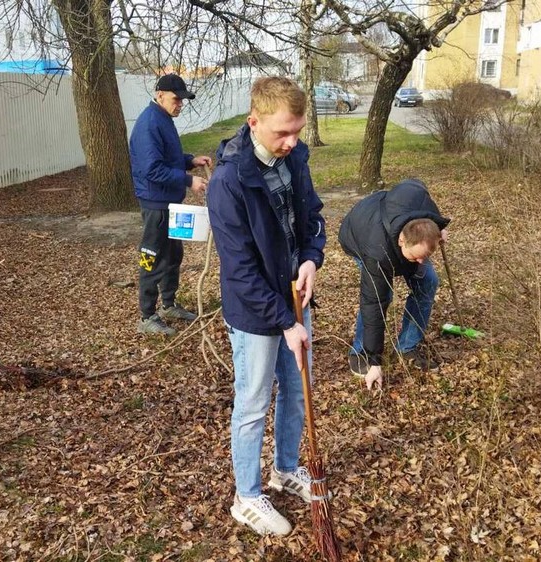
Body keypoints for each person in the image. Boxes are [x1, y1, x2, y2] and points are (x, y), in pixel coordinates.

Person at [207, 76, 326, 536]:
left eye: (297, 131)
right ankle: (246, 495)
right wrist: (284, 322)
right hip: (256, 310)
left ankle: (285, 468)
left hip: (295, 296)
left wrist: (313, 260)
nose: (291, 141)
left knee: (297, 390)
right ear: (254, 122)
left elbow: (312, 216)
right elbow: (238, 269)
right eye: (282, 132)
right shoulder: (228, 181)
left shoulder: (295, 157)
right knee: (254, 402)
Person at [337, 178, 450, 391]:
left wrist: (439, 230)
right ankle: (361, 351)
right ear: (402, 241)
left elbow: (416, 184)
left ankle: (407, 346)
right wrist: (375, 362)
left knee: (428, 280)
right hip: (358, 234)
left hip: (391, 222)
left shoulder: (422, 209)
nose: (421, 262)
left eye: (425, 256)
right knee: (382, 296)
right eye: (416, 257)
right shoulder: (377, 252)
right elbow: (374, 304)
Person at [130, 73, 213, 336]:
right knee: (151, 257)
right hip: (156, 204)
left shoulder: (164, 119)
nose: (180, 104)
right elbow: (152, 169)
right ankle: (146, 315)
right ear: (160, 95)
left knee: (173, 256)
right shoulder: (148, 124)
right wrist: (189, 180)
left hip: (171, 204)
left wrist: (190, 161)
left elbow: (168, 157)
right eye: (177, 99)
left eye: (183, 100)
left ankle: (168, 304)